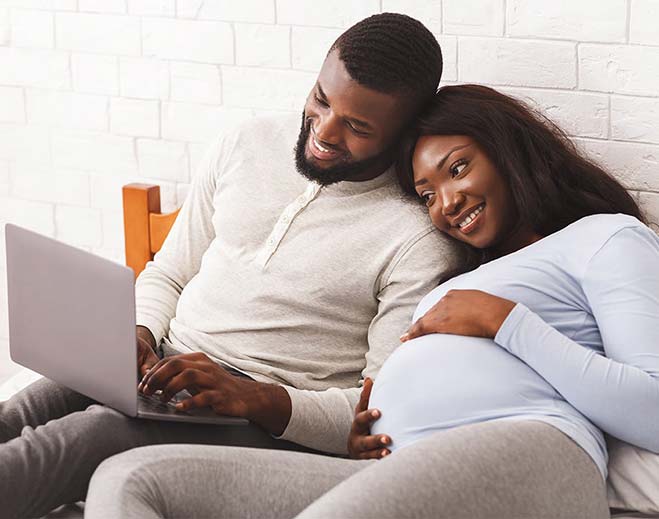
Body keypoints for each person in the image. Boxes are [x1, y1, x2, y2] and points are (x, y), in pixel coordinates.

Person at [85, 85, 659, 519]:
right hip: (400, 464)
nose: (446, 204)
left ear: (510, 152)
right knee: (131, 478)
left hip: (534, 447)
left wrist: (504, 321)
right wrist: (366, 426)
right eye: (427, 194)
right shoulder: (450, 277)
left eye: (458, 168)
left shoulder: (603, 237)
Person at [0, 14, 459, 518]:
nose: (324, 132)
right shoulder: (246, 143)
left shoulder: (417, 238)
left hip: (261, 422)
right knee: (22, 412)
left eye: (357, 127)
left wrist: (251, 396)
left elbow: (375, 410)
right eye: (322, 100)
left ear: (403, 132)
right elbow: (171, 270)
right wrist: (140, 333)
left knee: (93, 433)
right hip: (165, 366)